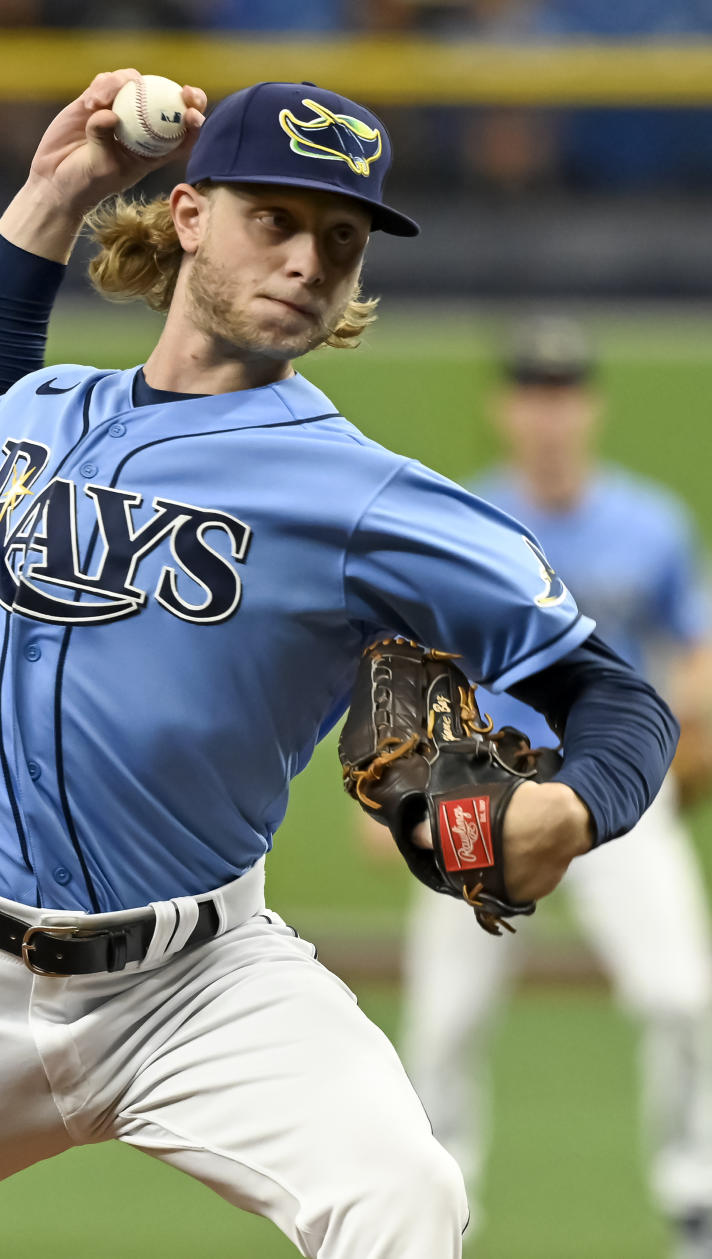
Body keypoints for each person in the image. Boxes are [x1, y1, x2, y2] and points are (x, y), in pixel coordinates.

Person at [0, 72, 677, 1259]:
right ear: (189, 215)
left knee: (402, 1194)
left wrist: (574, 802)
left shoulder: (364, 495)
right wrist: (55, 188)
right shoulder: (38, 415)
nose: (307, 259)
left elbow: (613, 692)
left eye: (341, 238)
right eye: (275, 218)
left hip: (195, 985)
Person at [396, 317, 712, 1259]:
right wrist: (394, 793)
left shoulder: (650, 523)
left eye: (565, 392)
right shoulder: (466, 519)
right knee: (445, 1020)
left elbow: (692, 652)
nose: (549, 412)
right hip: (476, 795)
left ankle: (697, 1202)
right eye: (533, 391)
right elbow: (412, 663)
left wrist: (686, 729)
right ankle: (435, 1217)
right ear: (504, 407)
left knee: (683, 997)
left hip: (614, 791)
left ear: (591, 406)